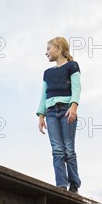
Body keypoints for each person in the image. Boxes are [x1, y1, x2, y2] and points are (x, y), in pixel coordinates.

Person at [36, 37, 81, 193]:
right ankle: (61, 185)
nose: (46, 52)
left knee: (69, 148)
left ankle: (74, 184)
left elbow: (76, 87)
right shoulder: (47, 73)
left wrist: (74, 106)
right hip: (51, 113)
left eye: (48, 49)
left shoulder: (72, 66)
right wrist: (41, 115)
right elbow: (44, 94)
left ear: (59, 48)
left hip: (66, 110)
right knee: (57, 150)